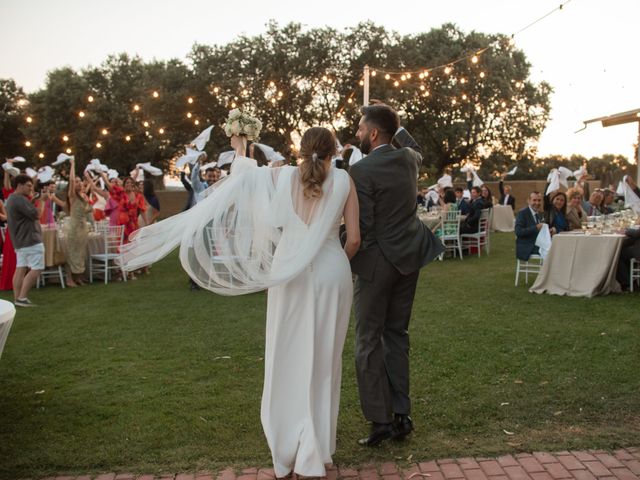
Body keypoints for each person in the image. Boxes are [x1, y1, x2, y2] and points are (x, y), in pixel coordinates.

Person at [121, 127, 361, 479]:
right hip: (331, 272)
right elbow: (353, 240)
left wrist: (240, 146)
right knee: (324, 359)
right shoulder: (344, 181)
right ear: (333, 150)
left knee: (286, 355)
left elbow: (245, 177)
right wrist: (330, 261)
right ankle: (318, 448)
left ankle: (288, 445)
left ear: (301, 151)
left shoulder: (280, 177)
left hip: (287, 272)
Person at [349, 103, 444, 447]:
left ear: (374, 133)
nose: (357, 134)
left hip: (378, 264)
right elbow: (413, 145)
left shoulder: (360, 172)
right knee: (397, 334)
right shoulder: (409, 159)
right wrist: (397, 126)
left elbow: (364, 227)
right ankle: (402, 414)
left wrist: (343, 253)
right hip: (410, 257)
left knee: (367, 340)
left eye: (361, 128)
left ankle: (380, 420)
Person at [5, 174, 45, 306]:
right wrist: (43, 201)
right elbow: (37, 214)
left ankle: (17, 298)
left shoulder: (11, 199)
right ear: (19, 185)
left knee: (20, 268)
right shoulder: (19, 199)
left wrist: (32, 201)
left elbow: (25, 213)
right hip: (30, 239)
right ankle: (22, 297)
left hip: (19, 240)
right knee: (37, 268)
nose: (31, 188)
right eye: (28, 185)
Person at [62, 159, 93, 287]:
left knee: (81, 253)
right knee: (71, 253)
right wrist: (73, 164)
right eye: (76, 181)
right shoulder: (72, 196)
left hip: (83, 227)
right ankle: (69, 279)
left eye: (80, 181)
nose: (78, 183)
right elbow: (71, 180)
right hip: (74, 227)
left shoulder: (84, 196)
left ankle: (79, 277)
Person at [0, 169, 17, 291]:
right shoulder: (11, 195)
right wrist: (7, 170)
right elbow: (6, 186)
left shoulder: (25, 196)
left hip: (17, 227)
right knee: (12, 256)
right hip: (13, 229)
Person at [515, 191, 544, 261]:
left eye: (539, 200)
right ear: (528, 201)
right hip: (526, 246)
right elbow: (518, 232)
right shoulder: (522, 213)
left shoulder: (540, 213)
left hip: (537, 243)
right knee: (551, 250)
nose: (537, 203)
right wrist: (536, 227)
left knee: (555, 247)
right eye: (534, 200)